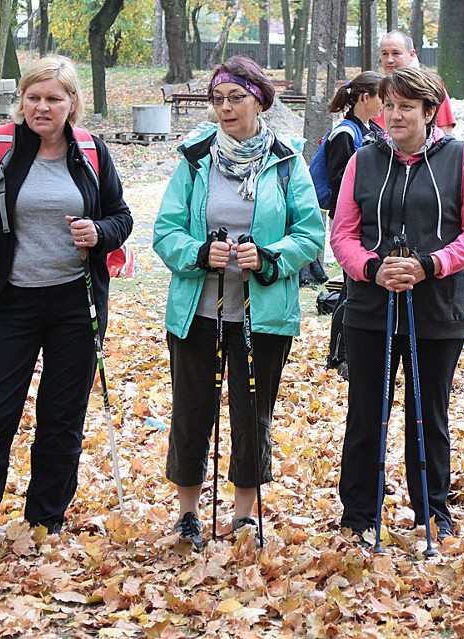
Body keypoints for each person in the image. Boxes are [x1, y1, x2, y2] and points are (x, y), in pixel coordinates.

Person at [0, 55, 134, 563]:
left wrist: (98, 233)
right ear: (22, 102)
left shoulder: (91, 151)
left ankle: (44, 523)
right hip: (9, 301)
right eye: (34, 97)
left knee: (61, 419)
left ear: (72, 104)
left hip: (75, 303)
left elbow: (121, 216)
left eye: (53, 98)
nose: (42, 106)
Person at [153, 55, 324, 551]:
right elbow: (165, 230)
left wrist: (268, 256)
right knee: (191, 410)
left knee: (252, 413)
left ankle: (244, 516)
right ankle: (188, 514)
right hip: (197, 310)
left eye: (236, 98)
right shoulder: (194, 156)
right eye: (218, 99)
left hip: (261, 312)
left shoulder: (288, 160)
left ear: (259, 100)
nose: (225, 108)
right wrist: (199, 253)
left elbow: (311, 234)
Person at [331, 67, 464, 542]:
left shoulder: (460, 159)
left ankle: (432, 512)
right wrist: (371, 268)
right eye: (389, 106)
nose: (394, 115)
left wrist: (431, 264)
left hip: (437, 308)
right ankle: (359, 515)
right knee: (366, 413)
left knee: (429, 413)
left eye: (406, 106)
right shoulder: (363, 159)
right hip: (369, 308)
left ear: (428, 111)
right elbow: (342, 232)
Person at [324, 70, 385, 380]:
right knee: (349, 289)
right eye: (380, 98)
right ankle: (338, 354)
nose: (384, 105)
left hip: (367, 221)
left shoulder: (369, 129)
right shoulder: (345, 134)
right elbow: (341, 182)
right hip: (348, 222)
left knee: (354, 288)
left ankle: (347, 353)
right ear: (365, 98)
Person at [373, 31, 456, 134]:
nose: (389, 60)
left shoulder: (429, 86)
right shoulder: (375, 89)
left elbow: (445, 130)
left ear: (411, 54)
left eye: (396, 53)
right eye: (385, 54)